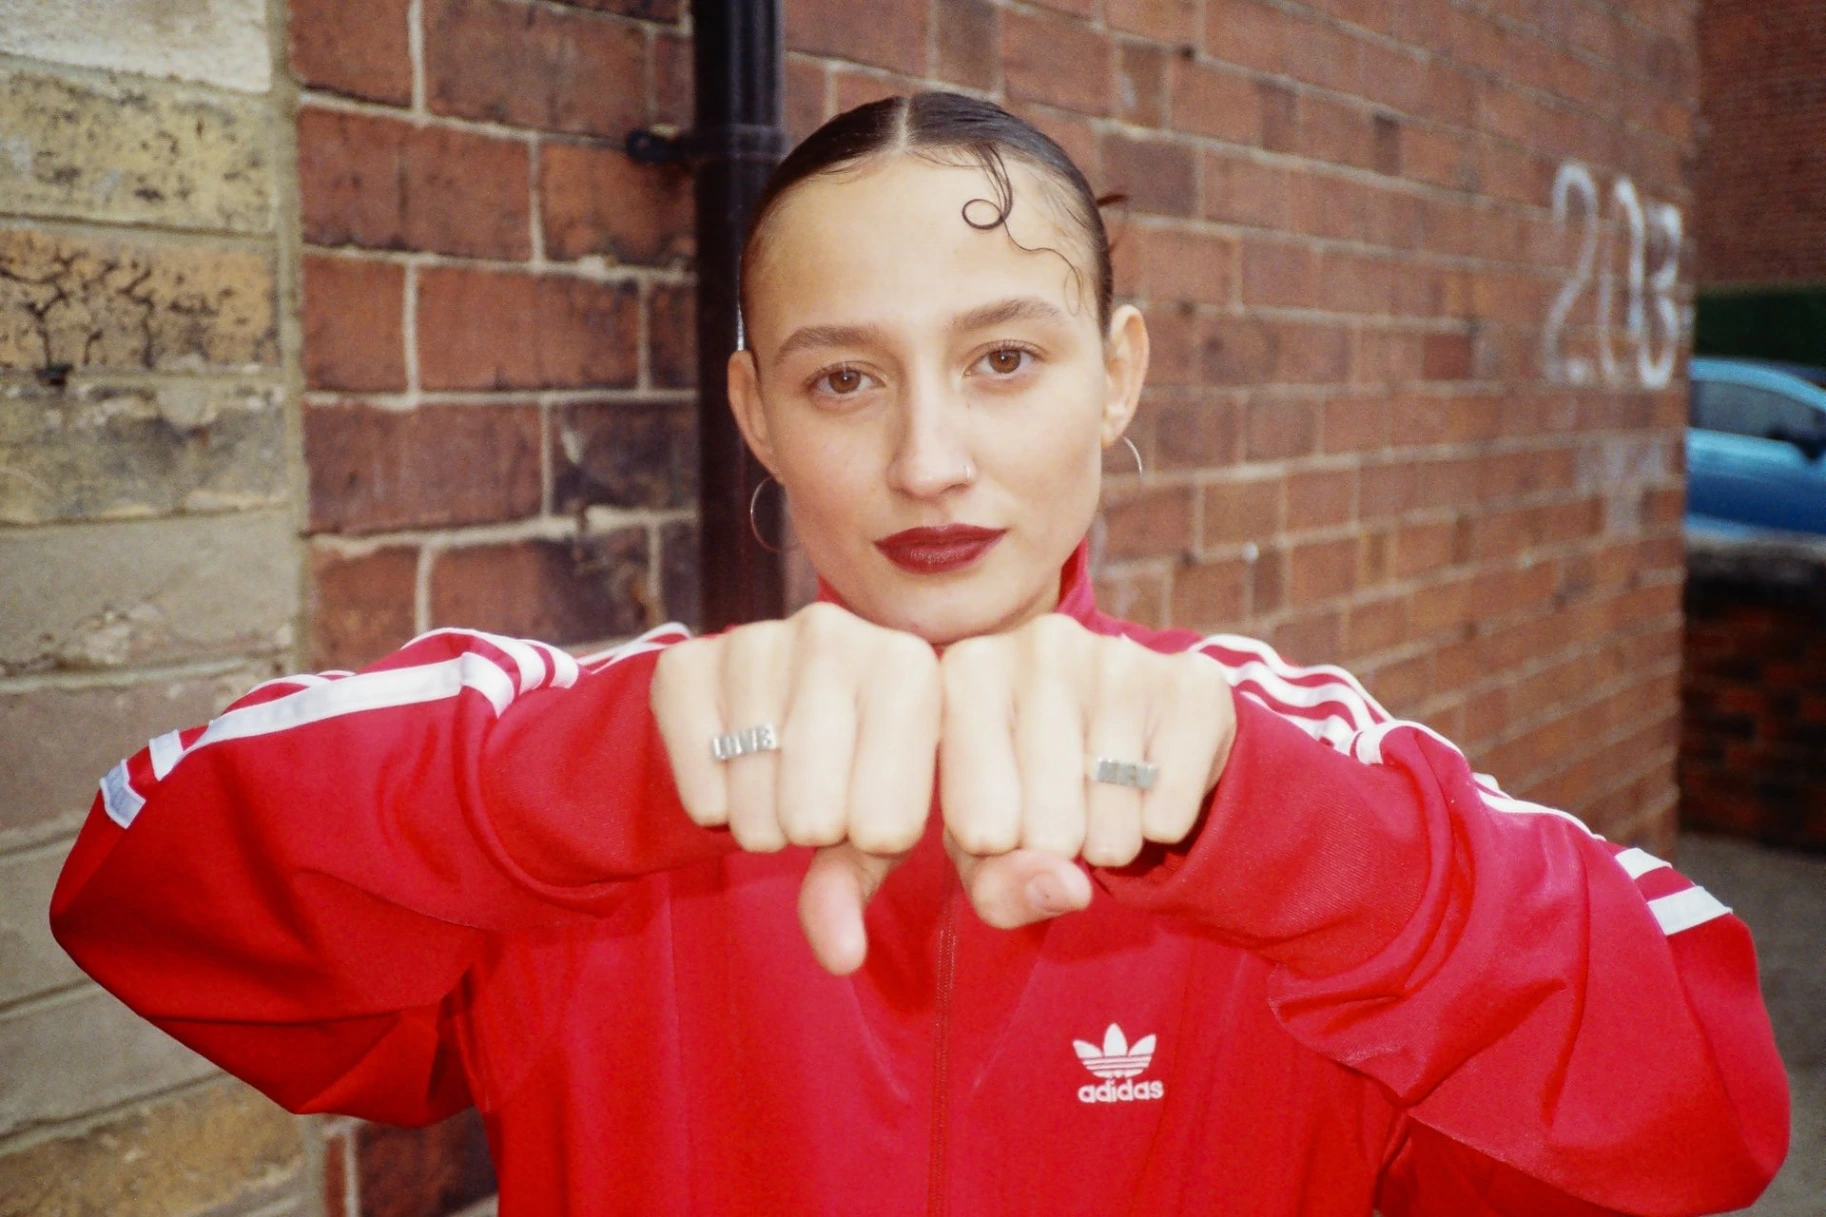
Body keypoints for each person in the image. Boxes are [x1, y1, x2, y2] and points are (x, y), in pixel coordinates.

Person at [52, 93, 1786, 1215]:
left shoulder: (1290, 761)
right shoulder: (591, 748)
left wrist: (1285, 841)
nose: (929, 460)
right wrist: (585, 778)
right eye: (842, 378)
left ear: (1116, 373)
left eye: (1004, 360)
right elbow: (138, 880)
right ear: (755, 413)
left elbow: (1704, 1113)